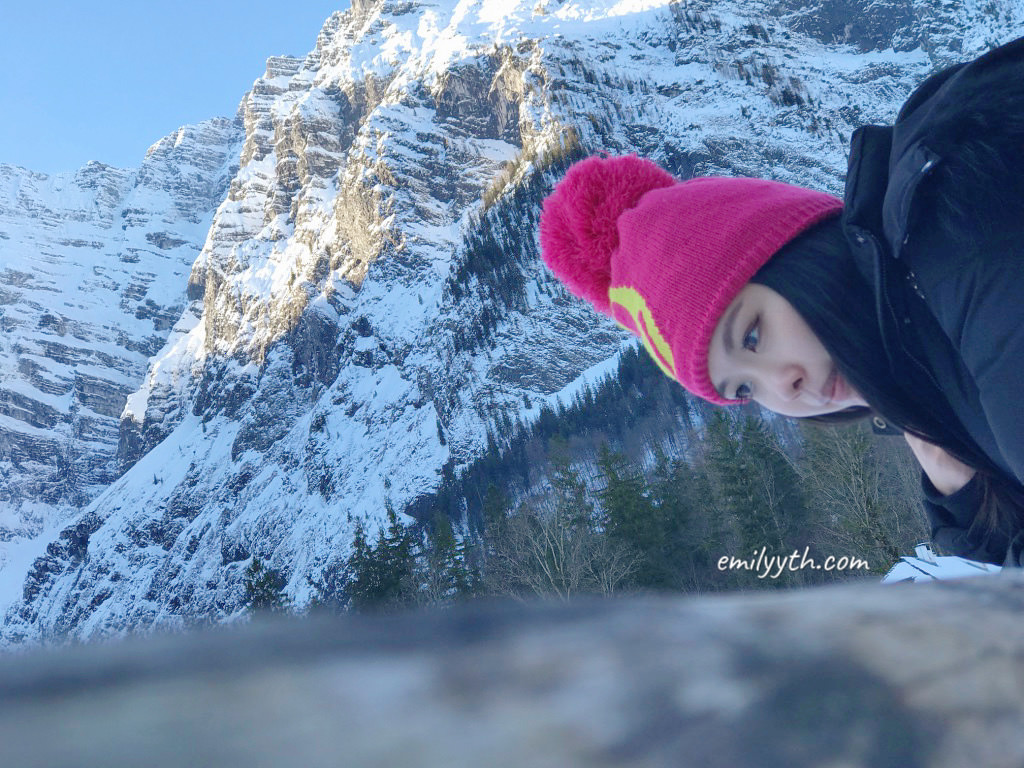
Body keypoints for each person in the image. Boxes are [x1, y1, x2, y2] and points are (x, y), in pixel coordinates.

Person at [538, 36, 1024, 567]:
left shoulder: (962, 238)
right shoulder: (924, 343)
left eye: (751, 334)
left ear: (794, 253)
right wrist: (963, 492)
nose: (783, 388)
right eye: (744, 388)